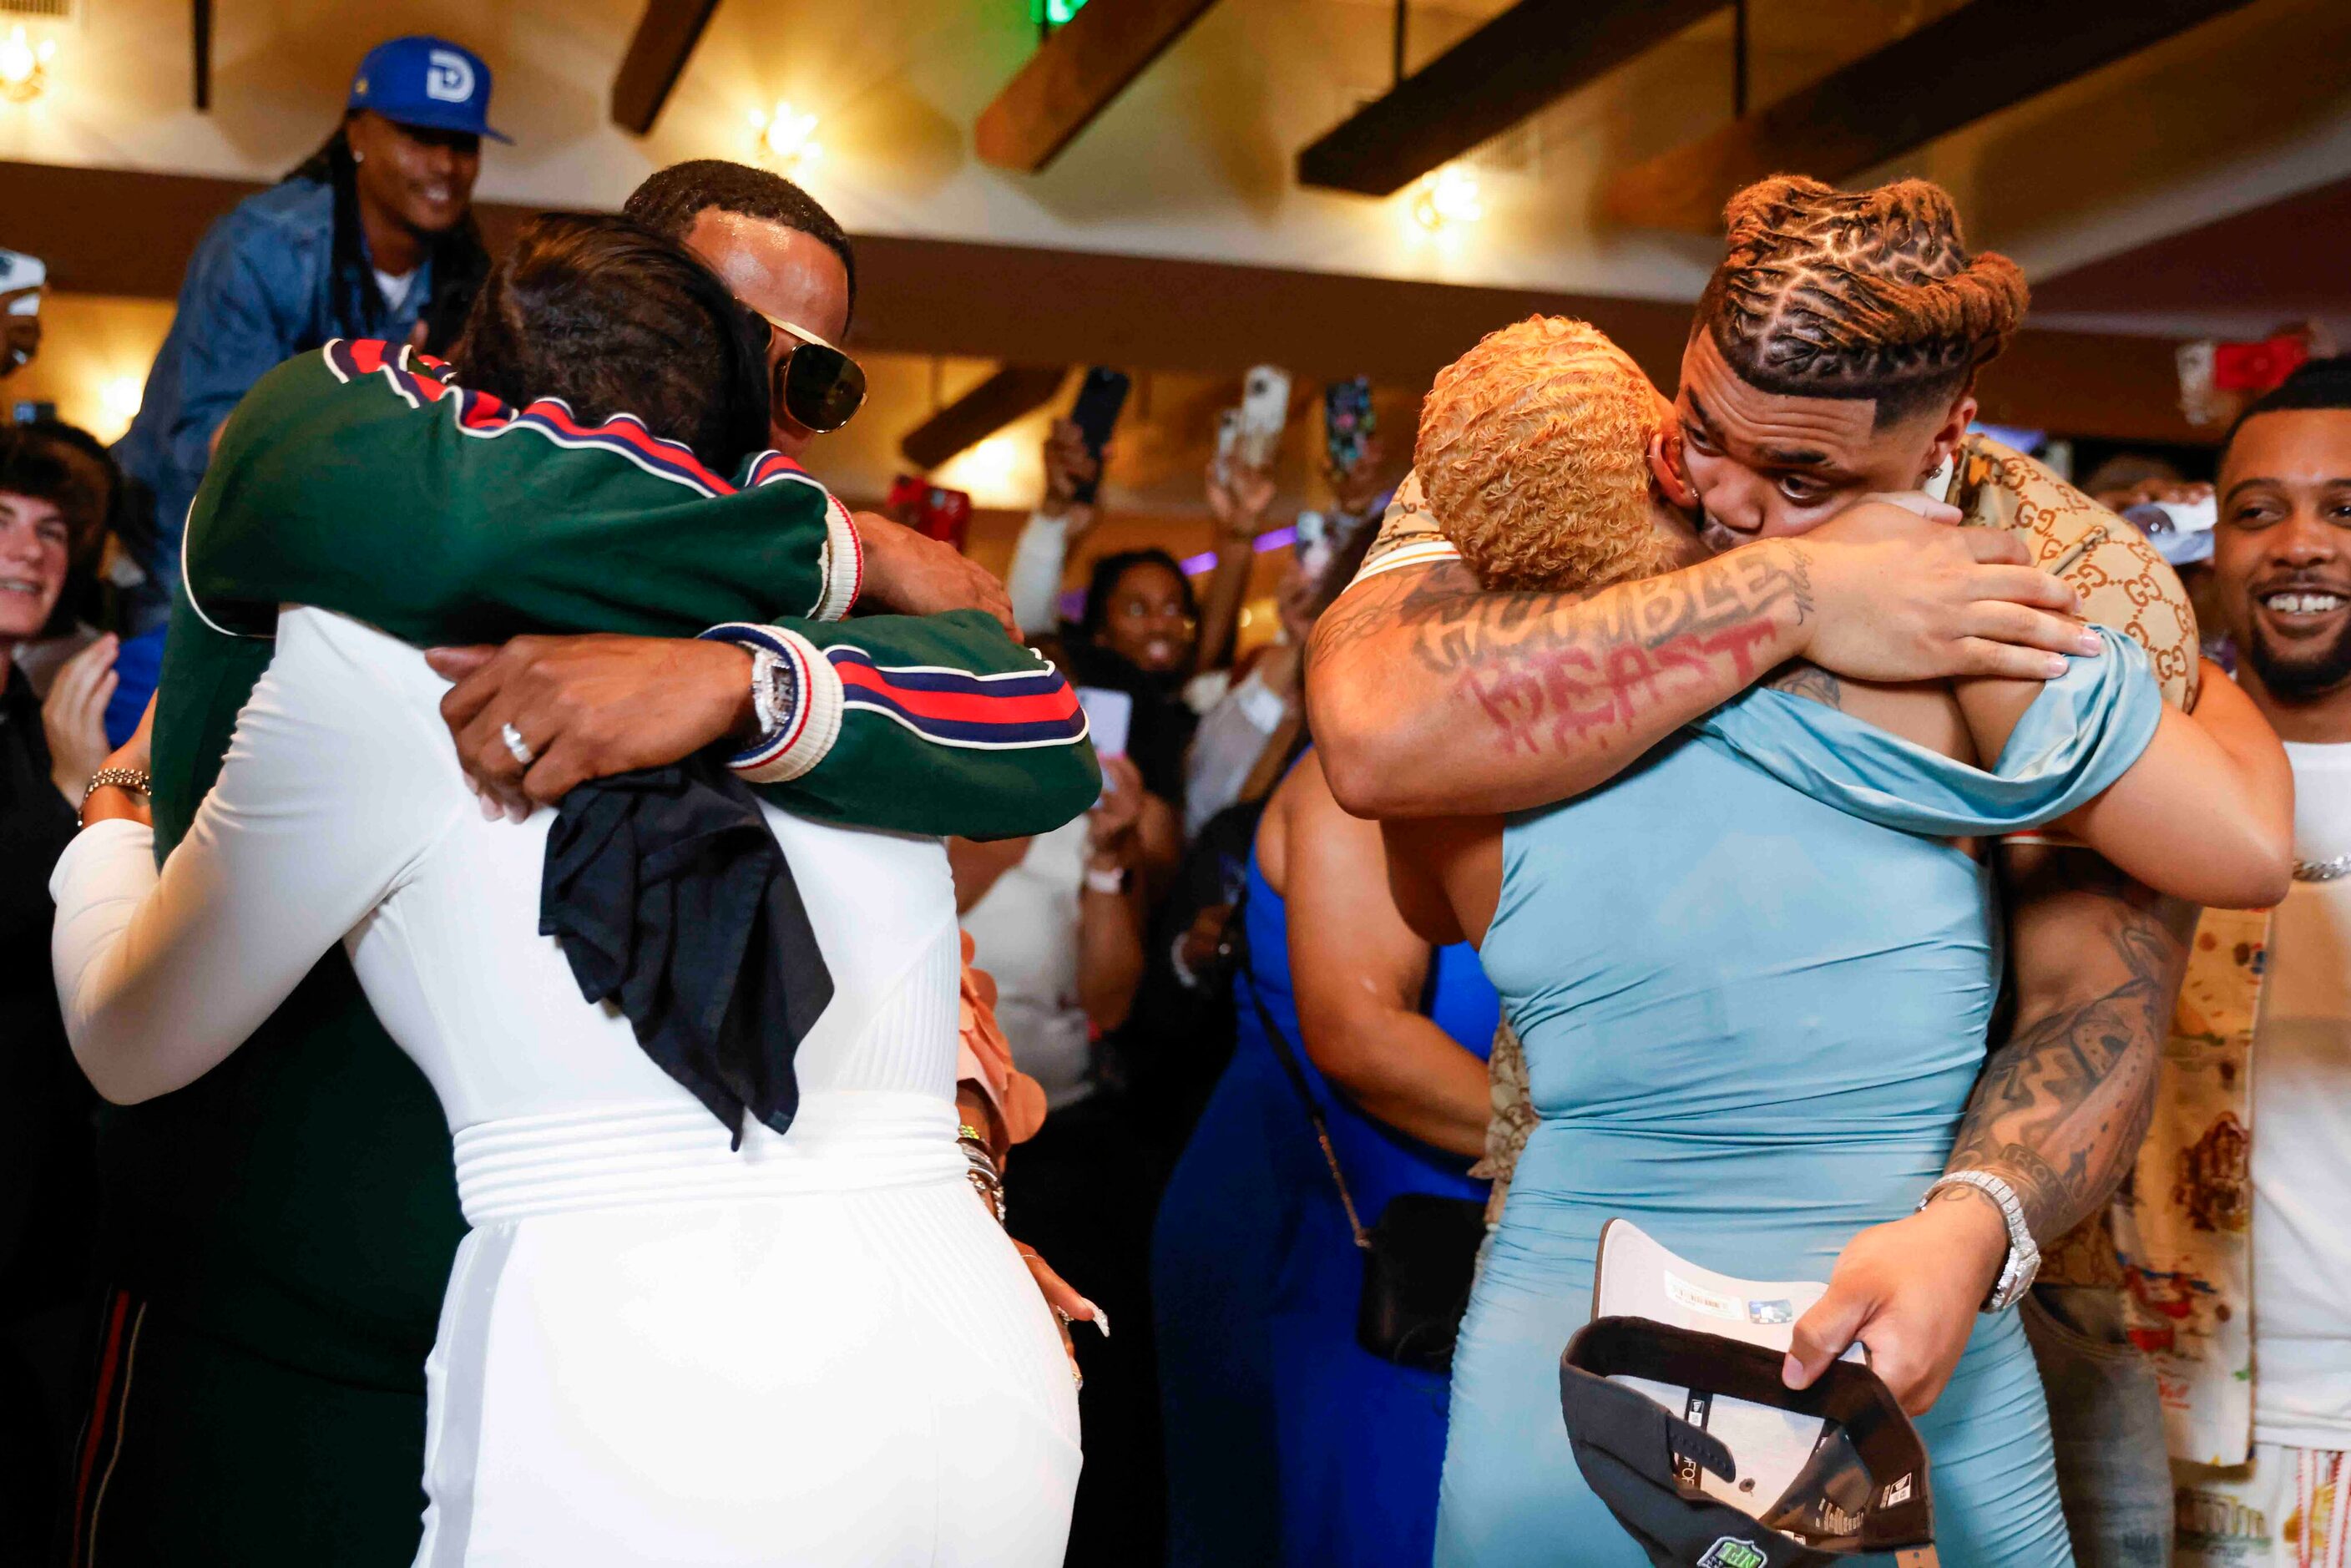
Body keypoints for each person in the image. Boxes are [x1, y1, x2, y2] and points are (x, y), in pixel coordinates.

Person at [64, 188, 1090, 1566]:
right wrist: (828, 541)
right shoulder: (370, 562)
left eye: (819, 378)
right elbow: (398, 499)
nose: (773, 403)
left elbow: (1035, 731)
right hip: (294, 1319)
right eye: (733, 340)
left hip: (668, 1373)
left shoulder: (829, 659)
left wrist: (742, 669)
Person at [1308, 177, 2231, 1458]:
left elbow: (2101, 985)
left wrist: (1967, 1236)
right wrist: (1794, 587)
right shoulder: (1576, 458)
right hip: (1590, 1277)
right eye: (1705, 432)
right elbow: (1373, 728)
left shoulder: (2065, 568)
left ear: (1944, 435)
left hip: (1963, 1301)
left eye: (1802, 474)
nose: (1725, 496)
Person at [2080, 357, 2351, 1568]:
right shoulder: (2134, 784)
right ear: (2210, 541)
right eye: (2259, 511)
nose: (2299, 544)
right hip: (2163, 1417)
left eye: (2347, 509)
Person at [1155, 743, 1497, 1568]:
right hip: (1336, 1234)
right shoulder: (1361, 776)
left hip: (1447, 1219)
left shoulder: (1517, 769)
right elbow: (1363, 1041)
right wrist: (1616, 1150)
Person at [109, 35, 499, 634]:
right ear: (357, 135)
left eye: (462, 143)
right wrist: (381, 409)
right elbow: (218, 445)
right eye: (420, 138)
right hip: (177, 552)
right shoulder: (263, 246)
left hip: (318, 566)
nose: (446, 166)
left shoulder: (469, 276)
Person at [953, 749, 1170, 1565]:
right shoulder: (878, 816)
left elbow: (1110, 1001)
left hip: (1060, 1156)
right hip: (915, 1166)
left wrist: (1111, 864)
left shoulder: (1076, 830)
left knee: (1082, 1408)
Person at [0, 427, 105, 1564]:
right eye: (1, 522)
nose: (30, 553)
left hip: (41, 1228)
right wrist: (82, 802)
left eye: (50, 531)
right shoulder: (51, 745)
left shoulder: (29, 713)